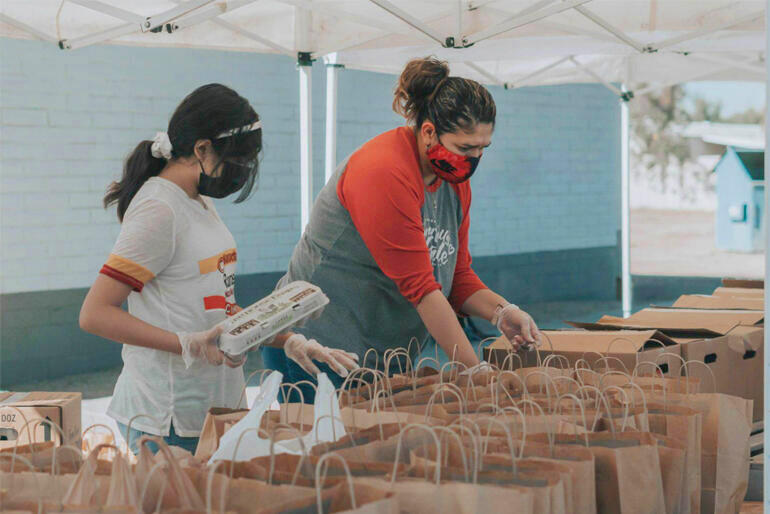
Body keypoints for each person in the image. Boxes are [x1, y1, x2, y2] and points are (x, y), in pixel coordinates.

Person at [79, 84, 357, 454]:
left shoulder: (198, 200)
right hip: (169, 417)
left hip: (215, 409)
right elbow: (95, 314)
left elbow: (216, 310)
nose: (242, 172)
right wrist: (185, 343)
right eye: (238, 161)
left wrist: (284, 337)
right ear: (201, 149)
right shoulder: (158, 209)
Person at [265, 57, 542, 402]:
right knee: (324, 451)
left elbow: (456, 275)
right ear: (428, 132)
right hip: (316, 349)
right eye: (465, 148)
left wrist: (502, 312)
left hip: (379, 356)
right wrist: (476, 370)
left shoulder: (453, 181)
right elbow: (422, 289)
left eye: (482, 149)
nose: (473, 160)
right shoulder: (383, 172)